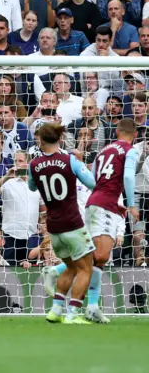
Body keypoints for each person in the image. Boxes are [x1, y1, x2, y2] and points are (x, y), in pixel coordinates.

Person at [44, 118, 140, 324]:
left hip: (98, 203)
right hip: (104, 205)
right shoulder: (130, 150)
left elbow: (95, 178)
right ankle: (58, 272)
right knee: (99, 255)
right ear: (136, 135)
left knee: (99, 258)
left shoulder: (104, 150)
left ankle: (93, 306)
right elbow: (129, 177)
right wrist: (131, 204)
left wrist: (113, 201)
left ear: (116, 131)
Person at [28, 123, 96, 324]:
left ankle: (56, 310)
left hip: (53, 227)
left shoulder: (33, 165)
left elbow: (32, 187)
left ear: (40, 141)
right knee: (86, 268)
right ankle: (72, 314)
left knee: (72, 267)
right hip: (72, 223)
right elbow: (92, 183)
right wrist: (81, 163)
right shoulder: (70, 160)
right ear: (59, 140)